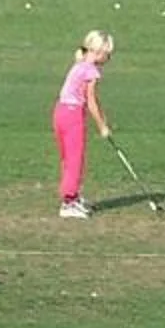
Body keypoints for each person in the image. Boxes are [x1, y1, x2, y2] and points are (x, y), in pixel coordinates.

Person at [52, 29, 116, 217]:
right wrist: (102, 126)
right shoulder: (91, 71)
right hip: (73, 116)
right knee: (75, 159)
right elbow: (91, 101)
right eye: (108, 54)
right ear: (99, 52)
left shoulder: (79, 65)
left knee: (68, 158)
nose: (109, 58)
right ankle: (68, 203)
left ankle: (73, 196)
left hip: (60, 111)